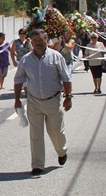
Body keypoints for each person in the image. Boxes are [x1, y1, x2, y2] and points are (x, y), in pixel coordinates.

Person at [13, 29, 73, 175]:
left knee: (56, 132)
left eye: (41, 40)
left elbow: (66, 77)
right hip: (34, 102)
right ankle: (37, 165)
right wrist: (17, 100)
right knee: (35, 134)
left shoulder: (56, 57)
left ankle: (61, 151)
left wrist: (68, 97)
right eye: (35, 41)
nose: (38, 43)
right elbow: (18, 79)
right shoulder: (26, 60)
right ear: (31, 42)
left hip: (53, 100)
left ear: (46, 40)